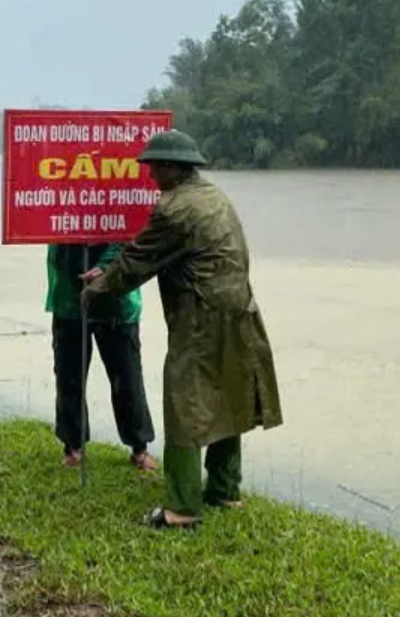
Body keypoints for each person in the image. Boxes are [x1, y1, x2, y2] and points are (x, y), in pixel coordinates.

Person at [80, 129, 283, 529]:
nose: (149, 175)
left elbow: (138, 260)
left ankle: (182, 508)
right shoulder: (212, 196)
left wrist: (95, 290)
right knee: (228, 395)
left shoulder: (174, 208)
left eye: (154, 167)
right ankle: (225, 491)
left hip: (201, 316)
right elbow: (149, 251)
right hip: (239, 309)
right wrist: (109, 269)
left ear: (173, 167)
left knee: (184, 402)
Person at [46, 243, 157, 472]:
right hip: (70, 289)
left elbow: (133, 232)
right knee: (69, 376)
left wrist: (107, 266)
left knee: (128, 377)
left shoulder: (124, 207)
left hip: (118, 295)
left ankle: (139, 447)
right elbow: (47, 222)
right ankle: (73, 446)